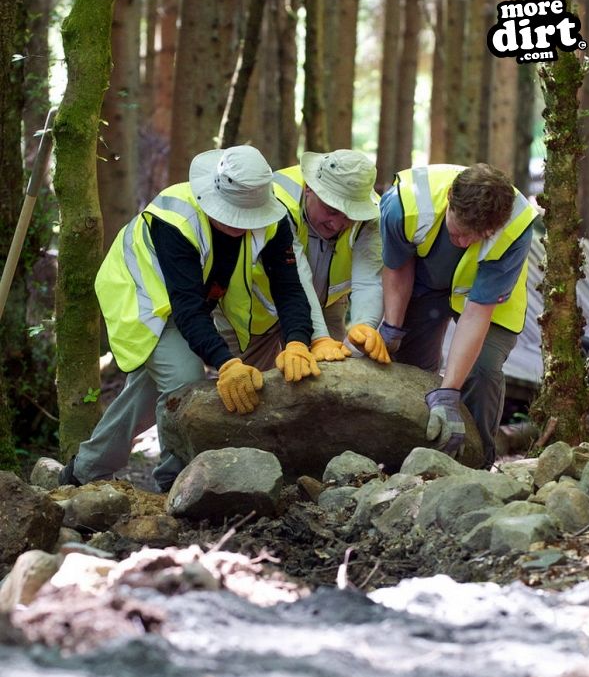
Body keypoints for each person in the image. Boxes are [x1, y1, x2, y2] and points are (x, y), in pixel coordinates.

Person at [59, 145, 320, 493]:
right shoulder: (175, 220)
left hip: (193, 297)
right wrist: (227, 363)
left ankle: (84, 470)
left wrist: (299, 341)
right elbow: (187, 307)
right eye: (232, 216)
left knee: (148, 388)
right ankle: (175, 482)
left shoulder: (273, 218)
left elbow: (289, 287)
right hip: (141, 291)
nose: (241, 226)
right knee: (182, 377)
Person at [379, 162, 538, 467]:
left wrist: (449, 392)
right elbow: (397, 268)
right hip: (425, 279)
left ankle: (477, 465)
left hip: (486, 296)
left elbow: (478, 312)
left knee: (483, 370)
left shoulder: (516, 224)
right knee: (410, 368)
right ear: (451, 197)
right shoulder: (404, 205)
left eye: (476, 237)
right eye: (460, 232)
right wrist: (392, 327)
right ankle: (409, 460)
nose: (465, 243)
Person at [214, 149, 391, 366]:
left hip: (328, 305)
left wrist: (364, 325)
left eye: (349, 216)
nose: (336, 224)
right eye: (331, 210)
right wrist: (320, 338)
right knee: (249, 384)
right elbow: (298, 276)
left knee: (331, 377)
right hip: (257, 309)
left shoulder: (370, 213)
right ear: (309, 188)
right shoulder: (274, 199)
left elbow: (369, 278)